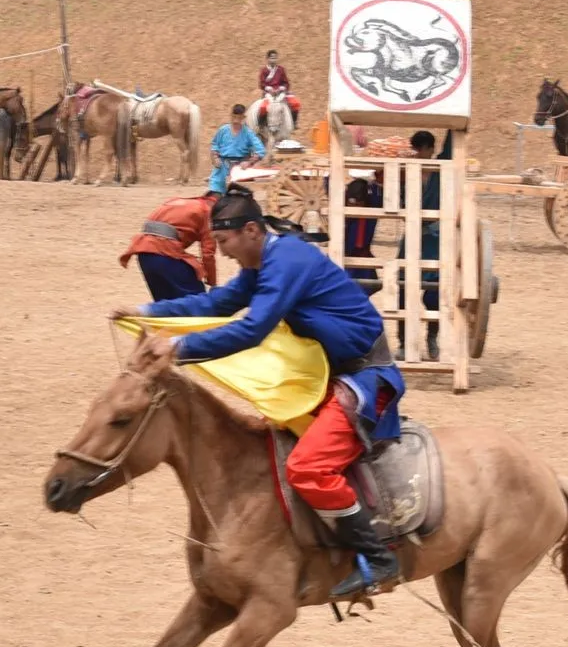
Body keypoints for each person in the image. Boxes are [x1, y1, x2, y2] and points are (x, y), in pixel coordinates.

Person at [115, 190, 406, 599]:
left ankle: (379, 560)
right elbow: (219, 301)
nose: (222, 252)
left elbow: (252, 328)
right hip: (323, 374)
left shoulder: (285, 262)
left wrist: (179, 349)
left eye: (226, 242)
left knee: (307, 469)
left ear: (251, 230)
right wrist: (146, 313)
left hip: (365, 380)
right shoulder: (265, 259)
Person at [394, 132, 442, 361]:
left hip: (434, 239)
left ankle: (432, 339)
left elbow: (453, 146)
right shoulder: (406, 173)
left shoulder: (439, 171)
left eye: (421, 150)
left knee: (434, 292)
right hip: (412, 236)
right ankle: (404, 343)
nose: (419, 154)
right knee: (403, 288)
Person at [121, 191, 219, 299]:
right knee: (198, 301)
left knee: (164, 306)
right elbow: (208, 254)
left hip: (143, 254)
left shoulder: (176, 201)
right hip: (165, 253)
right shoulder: (208, 212)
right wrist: (212, 283)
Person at [209, 103, 267, 194]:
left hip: (240, 168)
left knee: (239, 197)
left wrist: (249, 162)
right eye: (234, 117)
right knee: (215, 195)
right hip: (222, 167)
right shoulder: (223, 130)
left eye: (239, 118)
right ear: (231, 116)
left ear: (243, 118)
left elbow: (261, 150)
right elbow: (215, 145)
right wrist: (215, 159)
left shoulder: (248, 133)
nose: (236, 120)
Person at [342, 170, 384, 294]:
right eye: (351, 203)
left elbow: (378, 192)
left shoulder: (371, 209)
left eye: (358, 203)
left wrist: (376, 179)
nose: (354, 207)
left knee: (365, 287)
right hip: (347, 253)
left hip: (362, 253)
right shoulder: (345, 213)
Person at [258, 48, 300, 126]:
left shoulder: (281, 70)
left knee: (295, 103)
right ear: (267, 59)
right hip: (269, 94)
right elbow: (262, 84)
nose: (273, 60)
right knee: (263, 107)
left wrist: (281, 89)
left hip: (280, 93)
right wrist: (270, 89)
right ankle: (261, 125)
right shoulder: (264, 70)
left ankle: (294, 123)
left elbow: (286, 83)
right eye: (271, 58)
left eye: (275, 58)